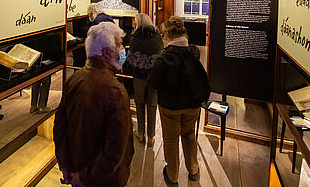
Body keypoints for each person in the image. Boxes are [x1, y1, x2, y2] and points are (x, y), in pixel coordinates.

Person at [54, 22, 134, 187]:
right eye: (119, 45)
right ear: (105, 52)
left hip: (76, 170)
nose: (122, 50)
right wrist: (84, 177)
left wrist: (65, 165)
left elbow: (60, 127)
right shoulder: (115, 91)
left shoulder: (74, 79)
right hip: (105, 180)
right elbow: (115, 149)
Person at [148, 16, 206, 185]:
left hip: (170, 107)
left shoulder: (163, 57)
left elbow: (153, 82)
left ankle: (172, 175)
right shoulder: (194, 51)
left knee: (171, 139)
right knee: (189, 135)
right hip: (192, 104)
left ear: (166, 33)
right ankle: (193, 169)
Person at [126, 13, 163, 147]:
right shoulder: (157, 36)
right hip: (154, 76)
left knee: (139, 103)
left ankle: (141, 133)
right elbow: (160, 55)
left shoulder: (135, 38)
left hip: (139, 76)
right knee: (152, 105)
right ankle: (152, 136)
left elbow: (131, 58)